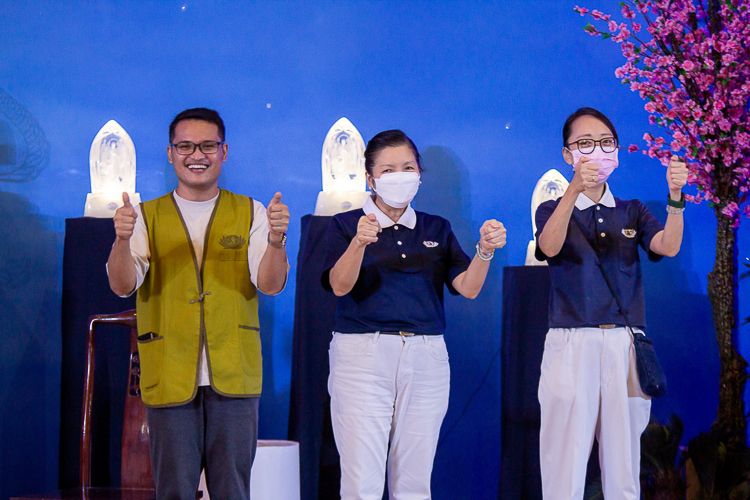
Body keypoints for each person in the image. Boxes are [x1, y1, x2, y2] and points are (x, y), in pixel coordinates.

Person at [106, 107, 290, 499]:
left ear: (224, 151)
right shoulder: (144, 215)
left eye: (207, 145)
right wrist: (121, 239)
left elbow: (271, 285)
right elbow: (123, 285)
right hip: (169, 371)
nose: (197, 155)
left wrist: (276, 242)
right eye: (185, 146)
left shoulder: (252, 211)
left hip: (234, 373)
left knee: (234, 491)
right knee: (173, 491)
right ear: (170, 153)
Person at [321, 129, 507, 500]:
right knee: (362, 482)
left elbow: (467, 288)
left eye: (408, 167)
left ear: (420, 174)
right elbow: (339, 286)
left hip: (426, 356)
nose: (400, 176)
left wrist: (485, 250)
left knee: (414, 481)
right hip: (363, 354)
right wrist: (360, 241)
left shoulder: (436, 227)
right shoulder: (345, 225)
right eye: (388, 170)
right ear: (370, 178)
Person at [535, 107, 688, 500]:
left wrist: (675, 198)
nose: (597, 151)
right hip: (571, 342)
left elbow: (667, 246)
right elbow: (549, 247)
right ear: (568, 154)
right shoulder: (552, 209)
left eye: (606, 143)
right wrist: (572, 189)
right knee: (563, 463)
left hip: (625, 345)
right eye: (585, 144)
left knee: (623, 467)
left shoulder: (632, 209)